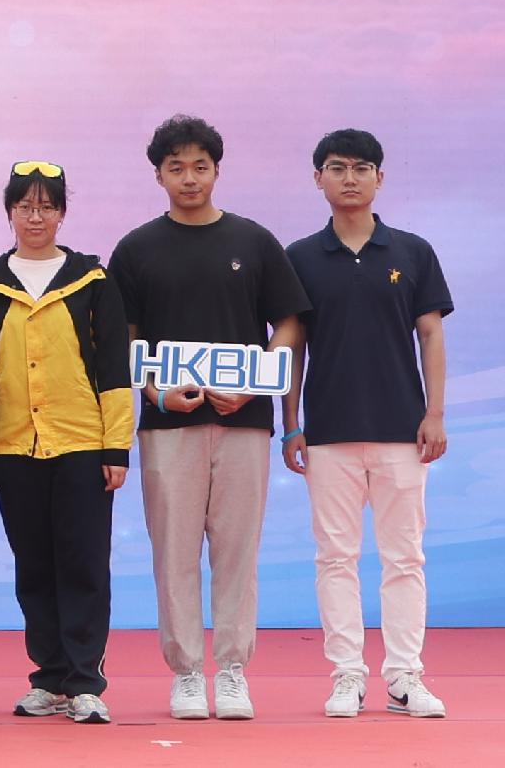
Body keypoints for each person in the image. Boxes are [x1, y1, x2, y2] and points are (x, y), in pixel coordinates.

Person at [110, 117, 308, 722]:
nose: (189, 177)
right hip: (167, 427)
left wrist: (254, 386)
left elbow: (291, 322)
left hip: (245, 424)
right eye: (176, 167)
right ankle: (187, 674)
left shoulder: (253, 242)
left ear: (217, 170)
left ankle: (234, 671)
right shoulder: (136, 248)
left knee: (237, 549)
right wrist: (157, 395)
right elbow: (125, 340)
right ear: (159, 175)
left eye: (200, 166)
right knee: (172, 551)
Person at [279, 130, 454, 720]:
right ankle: (346, 675)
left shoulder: (412, 252)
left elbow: (430, 333)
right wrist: (290, 421)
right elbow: (292, 346)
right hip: (326, 433)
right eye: (336, 168)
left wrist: (434, 413)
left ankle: (405, 676)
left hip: (402, 431)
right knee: (335, 557)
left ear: (380, 178)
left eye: (361, 168)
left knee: (405, 557)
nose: (349, 178)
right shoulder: (299, 258)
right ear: (318, 178)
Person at [0, 160, 133, 726]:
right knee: (33, 565)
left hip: (83, 444)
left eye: (47, 206)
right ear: (9, 211)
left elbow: (114, 366)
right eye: (25, 205)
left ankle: (86, 681)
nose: (35, 216)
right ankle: (50, 678)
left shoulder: (92, 280)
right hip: (12, 446)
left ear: (62, 213)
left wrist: (117, 447)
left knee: (84, 563)